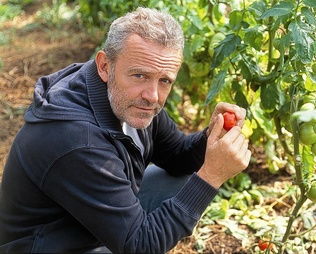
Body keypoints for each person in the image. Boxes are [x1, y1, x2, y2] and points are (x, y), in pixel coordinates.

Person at [0, 7, 251, 253]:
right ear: (104, 66)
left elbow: (177, 156)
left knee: (182, 181)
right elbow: (141, 246)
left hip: (82, 224)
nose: (152, 96)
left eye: (164, 80)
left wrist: (212, 137)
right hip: (47, 245)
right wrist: (212, 175)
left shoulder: (125, 99)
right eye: (139, 75)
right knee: (195, 187)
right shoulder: (77, 140)